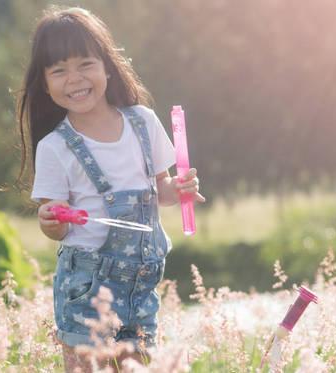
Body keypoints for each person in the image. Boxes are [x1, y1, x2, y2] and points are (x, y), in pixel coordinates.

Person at [15, 6, 205, 372]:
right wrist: (51, 220)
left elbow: (161, 190)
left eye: (85, 64)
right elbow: (57, 225)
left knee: (137, 366)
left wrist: (180, 189)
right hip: (86, 284)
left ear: (107, 65)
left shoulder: (142, 122)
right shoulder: (55, 147)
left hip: (140, 286)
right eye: (59, 71)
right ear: (45, 83)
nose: (74, 79)